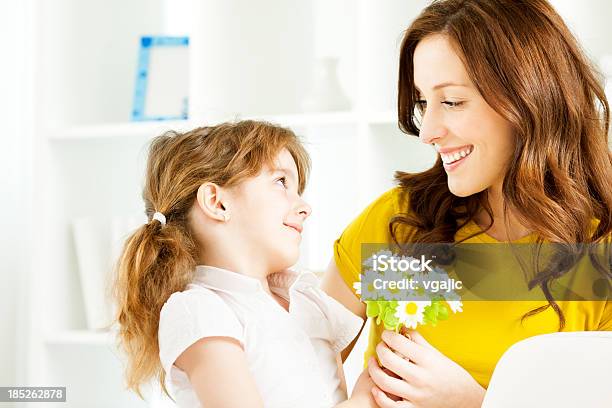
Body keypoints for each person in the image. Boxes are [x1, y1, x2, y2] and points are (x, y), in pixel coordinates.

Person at [321, 0, 612, 406]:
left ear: (530, 99)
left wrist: (475, 404)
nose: (428, 132)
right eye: (423, 102)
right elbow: (295, 374)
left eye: (452, 101)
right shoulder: (396, 221)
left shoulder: (600, 253)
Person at [112, 121, 378, 408]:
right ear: (217, 202)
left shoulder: (306, 302)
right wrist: (364, 403)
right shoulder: (199, 309)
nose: (305, 207)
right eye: (281, 182)